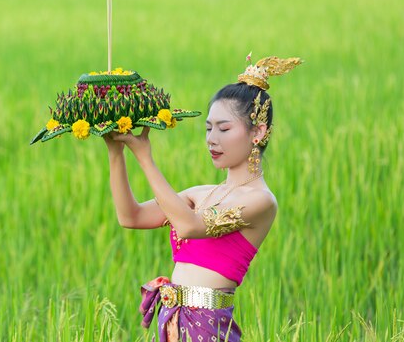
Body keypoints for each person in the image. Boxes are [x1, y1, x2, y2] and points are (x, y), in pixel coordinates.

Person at [102, 55, 302, 341]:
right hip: (172, 323)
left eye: (224, 128)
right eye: (208, 128)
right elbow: (130, 216)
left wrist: (145, 157)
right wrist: (116, 153)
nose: (211, 138)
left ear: (257, 132)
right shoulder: (200, 194)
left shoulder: (261, 201)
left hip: (208, 328)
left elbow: (189, 227)